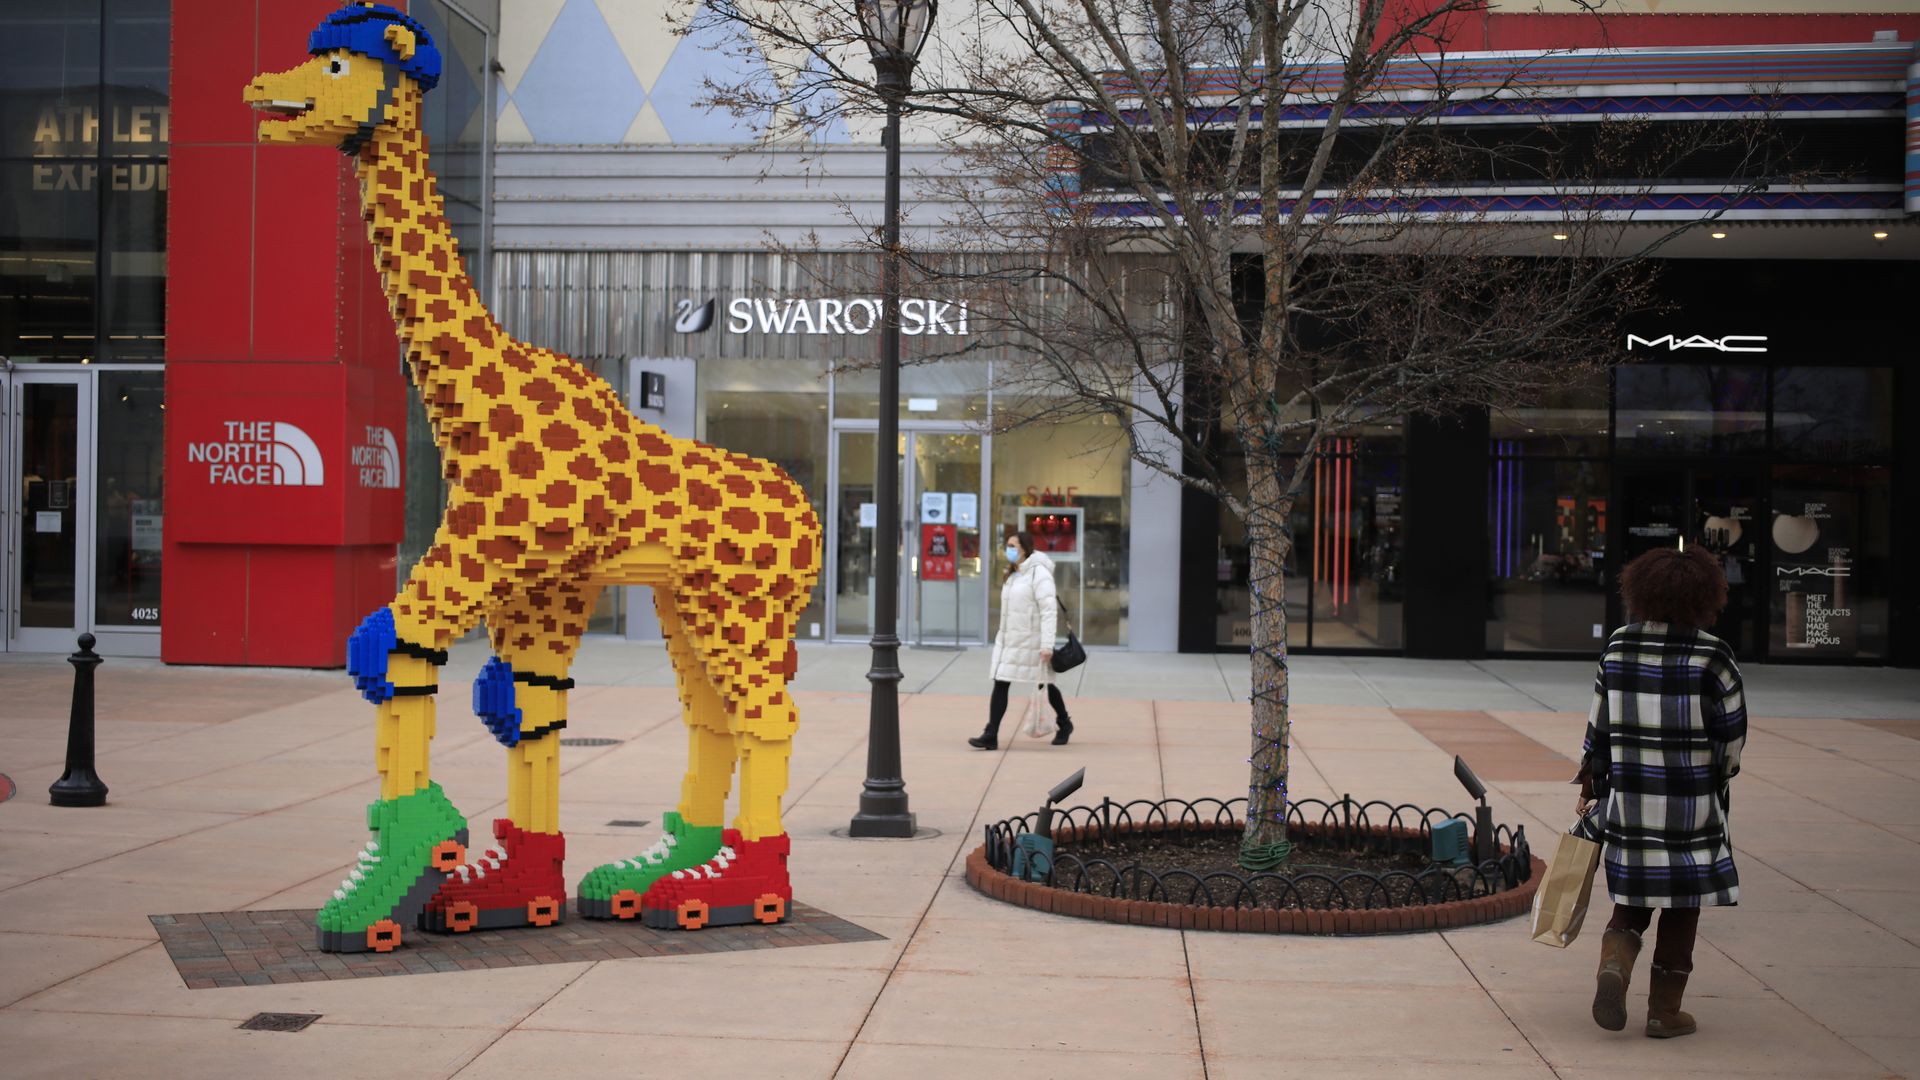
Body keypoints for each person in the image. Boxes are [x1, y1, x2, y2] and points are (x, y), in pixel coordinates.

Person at [1577, 546, 1746, 1039]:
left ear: (1640, 590)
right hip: (1691, 804)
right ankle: (1663, 1011)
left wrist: (1593, 779)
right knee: (1682, 903)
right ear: (1705, 598)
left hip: (1631, 800)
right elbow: (1731, 739)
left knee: (1633, 894)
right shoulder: (1713, 655)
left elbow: (1597, 731)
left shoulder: (1618, 646)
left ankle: (1614, 964)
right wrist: (1717, 772)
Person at [969, 531, 1072, 750]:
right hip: (1010, 640)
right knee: (1001, 682)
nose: (1008, 549)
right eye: (1007, 545)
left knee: (1046, 683)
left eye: (1012, 545)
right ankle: (991, 734)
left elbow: (1048, 611)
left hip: (1032, 641)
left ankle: (1064, 723)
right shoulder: (1014, 573)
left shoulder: (1039, 574)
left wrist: (1047, 645)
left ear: (1024, 548)